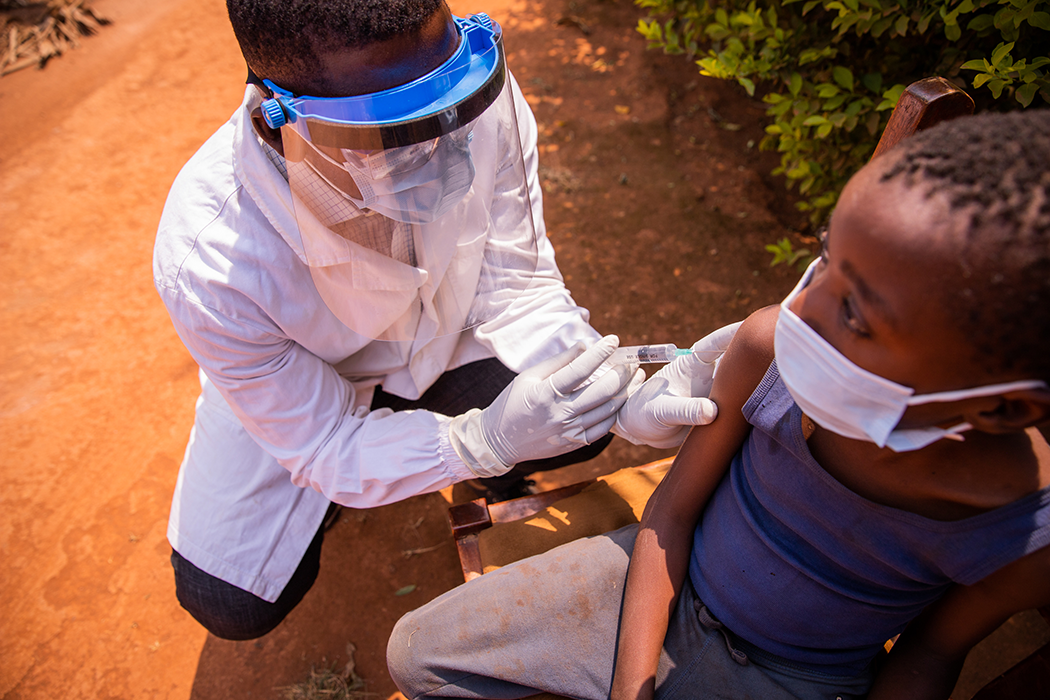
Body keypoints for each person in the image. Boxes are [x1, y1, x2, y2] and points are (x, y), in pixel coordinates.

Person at [386, 108, 1050, 700]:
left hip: (793, 681)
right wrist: (632, 683)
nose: (800, 311)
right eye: (825, 258)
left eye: (855, 312)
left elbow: (932, 652)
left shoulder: (1021, 533)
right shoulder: (768, 350)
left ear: (1002, 410)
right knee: (418, 656)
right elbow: (670, 513)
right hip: (658, 583)